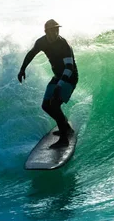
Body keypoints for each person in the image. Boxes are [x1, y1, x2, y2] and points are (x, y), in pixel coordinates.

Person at [17, 19, 79, 148]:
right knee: (46, 106)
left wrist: (60, 85)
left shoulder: (64, 44)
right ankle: (65, 127)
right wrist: (22, 69)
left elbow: (69, 67)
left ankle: (64, 140)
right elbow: (31, 53)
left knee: (55, 105)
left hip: (69, 77)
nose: (55, 32)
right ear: (46, 31)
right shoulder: (41, 42)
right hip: (57, 76)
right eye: (52, 30)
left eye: (57, 29)